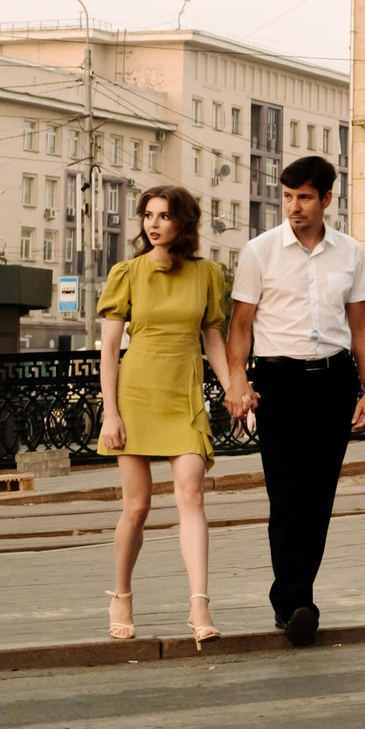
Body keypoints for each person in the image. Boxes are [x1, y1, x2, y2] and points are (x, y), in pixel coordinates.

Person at [223, 156, 365, 648]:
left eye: (305, 197)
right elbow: (240, 327)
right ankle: (297, 605)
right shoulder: (259, 251)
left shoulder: (349, 252)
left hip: (333, 381)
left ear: (328, 199)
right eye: (288, 197)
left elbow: (361, 325)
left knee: (320, 496)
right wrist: (237, 382)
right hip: (278, 382)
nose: (294, 207)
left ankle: (288, 597)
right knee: (287, 494)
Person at [96, 185, 236, 644]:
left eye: (164, 216)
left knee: (192, 496)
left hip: (184, 396)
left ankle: (199, 606)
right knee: (136, 507)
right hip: (136, 395)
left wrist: (236, 386)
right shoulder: (127, 273)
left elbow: (212, 337)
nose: (153, 223)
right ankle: (121, 594)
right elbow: (111, 351)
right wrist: (110, 414)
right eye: (148, 215)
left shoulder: (207, 275)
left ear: (184, 224)